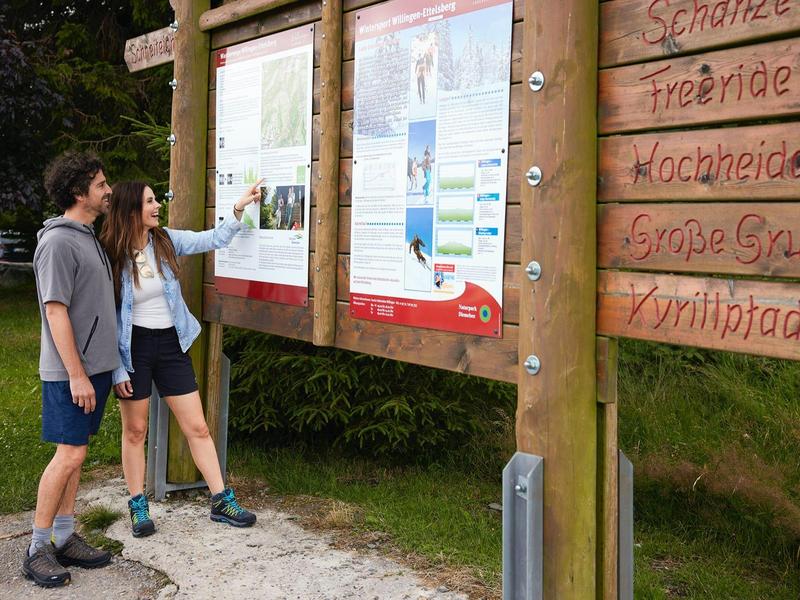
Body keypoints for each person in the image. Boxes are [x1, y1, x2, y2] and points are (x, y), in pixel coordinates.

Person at [100, 179, 263, 538]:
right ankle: (138, 505)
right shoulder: (111, 254)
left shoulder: (165, 240)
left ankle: (221, 501)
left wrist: (239, 208)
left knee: (198, 427)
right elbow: (107, 316)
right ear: (131, 210)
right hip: (133, 349)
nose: (157, 206)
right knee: (135, 430)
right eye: (150, 202)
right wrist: (116, 369)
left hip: (171, 345)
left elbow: (213, 239)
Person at [24, 151, 124, 588]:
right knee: (70, 455)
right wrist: (77, 374)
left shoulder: (87, 237)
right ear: (79, 192)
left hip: (94, 369)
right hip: (71, 372)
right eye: (100, 184)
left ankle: (64, 537)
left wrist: (105, 368)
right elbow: (55, 310)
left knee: (76, 454)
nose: (108, 190)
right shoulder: (58, 243)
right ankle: (37, 547)